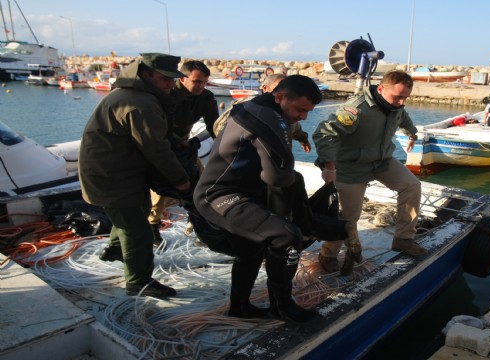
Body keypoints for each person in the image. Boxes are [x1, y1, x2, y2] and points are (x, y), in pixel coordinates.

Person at [194, 75, 325, 323]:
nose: (304, 117)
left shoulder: (258, 105)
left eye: (308, 111)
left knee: (251, 249)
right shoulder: (269, 121)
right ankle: (282, 307)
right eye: (300, 110)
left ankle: (240, 307)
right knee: (286, 235)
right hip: (219, 195)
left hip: (234, 192)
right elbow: (277, 177)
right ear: (280, 97)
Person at [79, 53, 190, 298]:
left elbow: (149, 133)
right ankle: (138, 281)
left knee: (136, 211)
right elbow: (156, 148)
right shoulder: (141, 102)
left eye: (173, 79)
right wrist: (181, 181)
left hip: (121, 171)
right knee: (138, 230)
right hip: (111, 176)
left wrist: (175, 141)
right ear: (145, 75)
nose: (170, 84)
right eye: (164, 79)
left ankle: (116, 251)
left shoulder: (135, 96)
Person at [312, 70, 425, 274]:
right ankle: (328, 253)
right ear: (381, 89)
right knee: (348, 217)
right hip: (350, 167)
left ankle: (403, 239)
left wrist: (412, 134)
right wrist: (329, 167)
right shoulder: (356, 109)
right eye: (397, 97)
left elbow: (403, 117)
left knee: (412, 186)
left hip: (381, 161)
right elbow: (324, 133)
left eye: (405, 97)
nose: (401, 102)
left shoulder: (395, 106)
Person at [148, 60, 219, 243]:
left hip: (185, 146)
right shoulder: (167, 95)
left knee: (203, 185)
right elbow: (155, 126)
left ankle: (198, 224)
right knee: (160, 192)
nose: (201, 86)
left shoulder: (206, 97)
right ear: (183, 78)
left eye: (204, 82)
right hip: (162, 145)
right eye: (197, 81)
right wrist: (176, 141)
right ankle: (153, 226)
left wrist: (200, 141)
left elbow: (214, 126)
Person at [213, 73, 312, 153]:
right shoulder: (247, 105)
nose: (282, 92)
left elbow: (294, 127)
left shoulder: (285, 109)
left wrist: (304, 140)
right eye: (278, 87)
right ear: (265, 88)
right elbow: (219, 127)